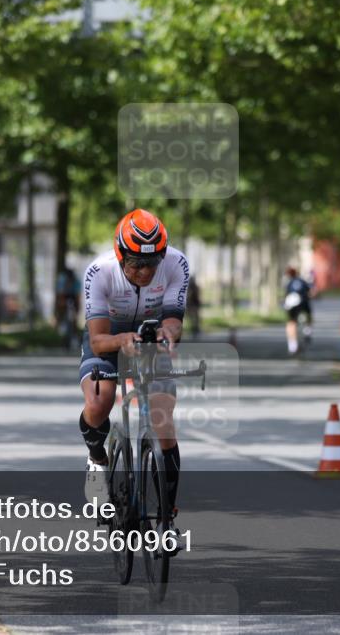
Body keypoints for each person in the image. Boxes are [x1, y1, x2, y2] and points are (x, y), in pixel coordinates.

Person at [78, 209, 189, 527]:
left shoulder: (177, 263)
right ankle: (98, 459)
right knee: (100, 401)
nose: (144, 271)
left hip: (150, 334)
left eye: (152, 263)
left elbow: (173, 319)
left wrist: (168, 334)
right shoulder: (99, 272)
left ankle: (167, 514)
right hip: (110, 334)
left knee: (163, 419)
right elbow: (98, 341)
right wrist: (122, 339)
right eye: (136, 264)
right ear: (120, 255)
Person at [283, 266, 313, 356]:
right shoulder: (302, 281)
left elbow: (287, 295)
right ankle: (307, 331)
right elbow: (309, 292)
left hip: (292, 305)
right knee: (308, 316)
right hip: (303, 304)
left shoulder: (289, 283)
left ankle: (292, 346)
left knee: (291, 324)